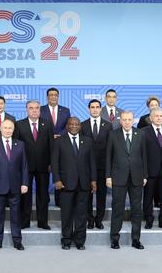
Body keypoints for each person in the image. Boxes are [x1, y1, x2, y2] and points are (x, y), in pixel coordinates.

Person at [51, 117, 96, 250]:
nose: (74, 126)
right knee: (67, 214)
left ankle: (80, 241)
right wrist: (57, 180)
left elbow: (92, 162)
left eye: (77, 124)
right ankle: (66, 240)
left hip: (84, 184)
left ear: (80, 126)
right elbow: (54, 162)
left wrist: (93, 180)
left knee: (81, 214)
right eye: (71, 124)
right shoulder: (59, 141)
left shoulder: (88, 141)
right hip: (65, 184)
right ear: (67, 126)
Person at [106, 111, 147, 250]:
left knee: (137, 209)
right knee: (118, 209)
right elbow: (108, 157)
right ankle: (114, 239)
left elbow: (144, 156)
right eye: (125, 119)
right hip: (118, 177)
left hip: (137, 177)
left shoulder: (140, 134)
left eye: (130, 119)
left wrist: (145, 175)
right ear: (121, 121)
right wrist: (108, 176)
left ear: (133, 120)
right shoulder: (113, 135)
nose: (127, 122)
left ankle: (136, 239)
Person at [0, 119, 28, 250]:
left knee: (16, 215)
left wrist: (24, 183)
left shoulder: (20, 144)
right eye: (5, 128)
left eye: (10, 128)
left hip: (16, 186)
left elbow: (24, 166)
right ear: (0, 129)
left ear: (13, 129)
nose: (8, 130)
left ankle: (17, 241)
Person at [14, 99, 53, 229]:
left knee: (43, 195)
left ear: (40, 110)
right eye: (31, 108)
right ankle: (24, 222)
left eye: (37, 108)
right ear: (27, 110)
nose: (34, 110)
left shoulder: (47, 124)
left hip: (43, 166)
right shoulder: (19, 124)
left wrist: (51, 163)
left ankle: (43, 222)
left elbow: (51, 146)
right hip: (25, 167)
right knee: (25, 196)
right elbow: (16, 147)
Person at [80, 99, 110, 229]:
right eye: (92, 107)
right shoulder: (82, 125)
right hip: (86, 168)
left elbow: (110, 148)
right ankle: (89, 219)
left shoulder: (108, 125)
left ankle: (99, 219)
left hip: (103, 167)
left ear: (100, 109)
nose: (95, 109)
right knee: (87, 195)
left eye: (97, 107)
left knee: (101, 195)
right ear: (89, 109)